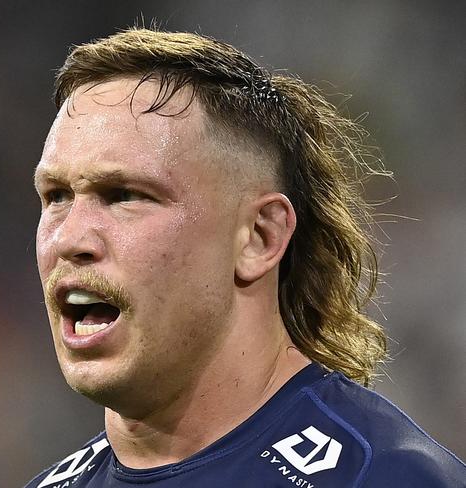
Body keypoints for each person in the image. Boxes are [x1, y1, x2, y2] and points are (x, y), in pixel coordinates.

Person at [25, 28, 465, 488]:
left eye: (124, 195)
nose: (70, 238)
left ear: (259, 237)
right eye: (56, 196)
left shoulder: (385, 478)